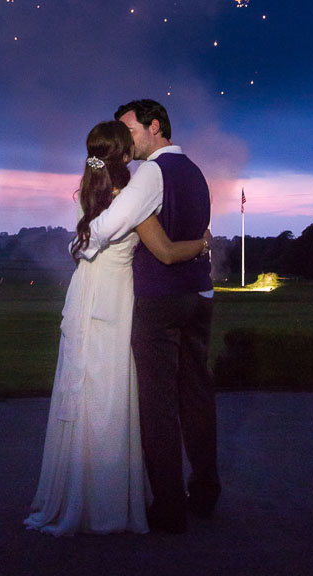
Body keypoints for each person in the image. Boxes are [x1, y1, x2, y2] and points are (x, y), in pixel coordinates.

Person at [25, 120, 210, 536]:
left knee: (84, 386)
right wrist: (203, 243)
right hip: (114, 299)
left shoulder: (86, 192)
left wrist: (81, 244)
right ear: (125, 155)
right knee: (112, 394)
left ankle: (77, 489)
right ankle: (108, 500)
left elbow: (81, 245)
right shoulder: (131, 197)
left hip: (83, 294)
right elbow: (163, 250)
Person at [82, 99, 221, 534]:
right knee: (196, 395)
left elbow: (110, 224)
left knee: (158, 404)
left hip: (161, 299)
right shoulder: (196, 172)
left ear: (154, 127)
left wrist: (83, 245)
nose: (126, 142)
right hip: (199, 295)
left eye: (130, 131)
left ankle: (168, 507)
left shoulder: (153, 173)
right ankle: (205, 491)